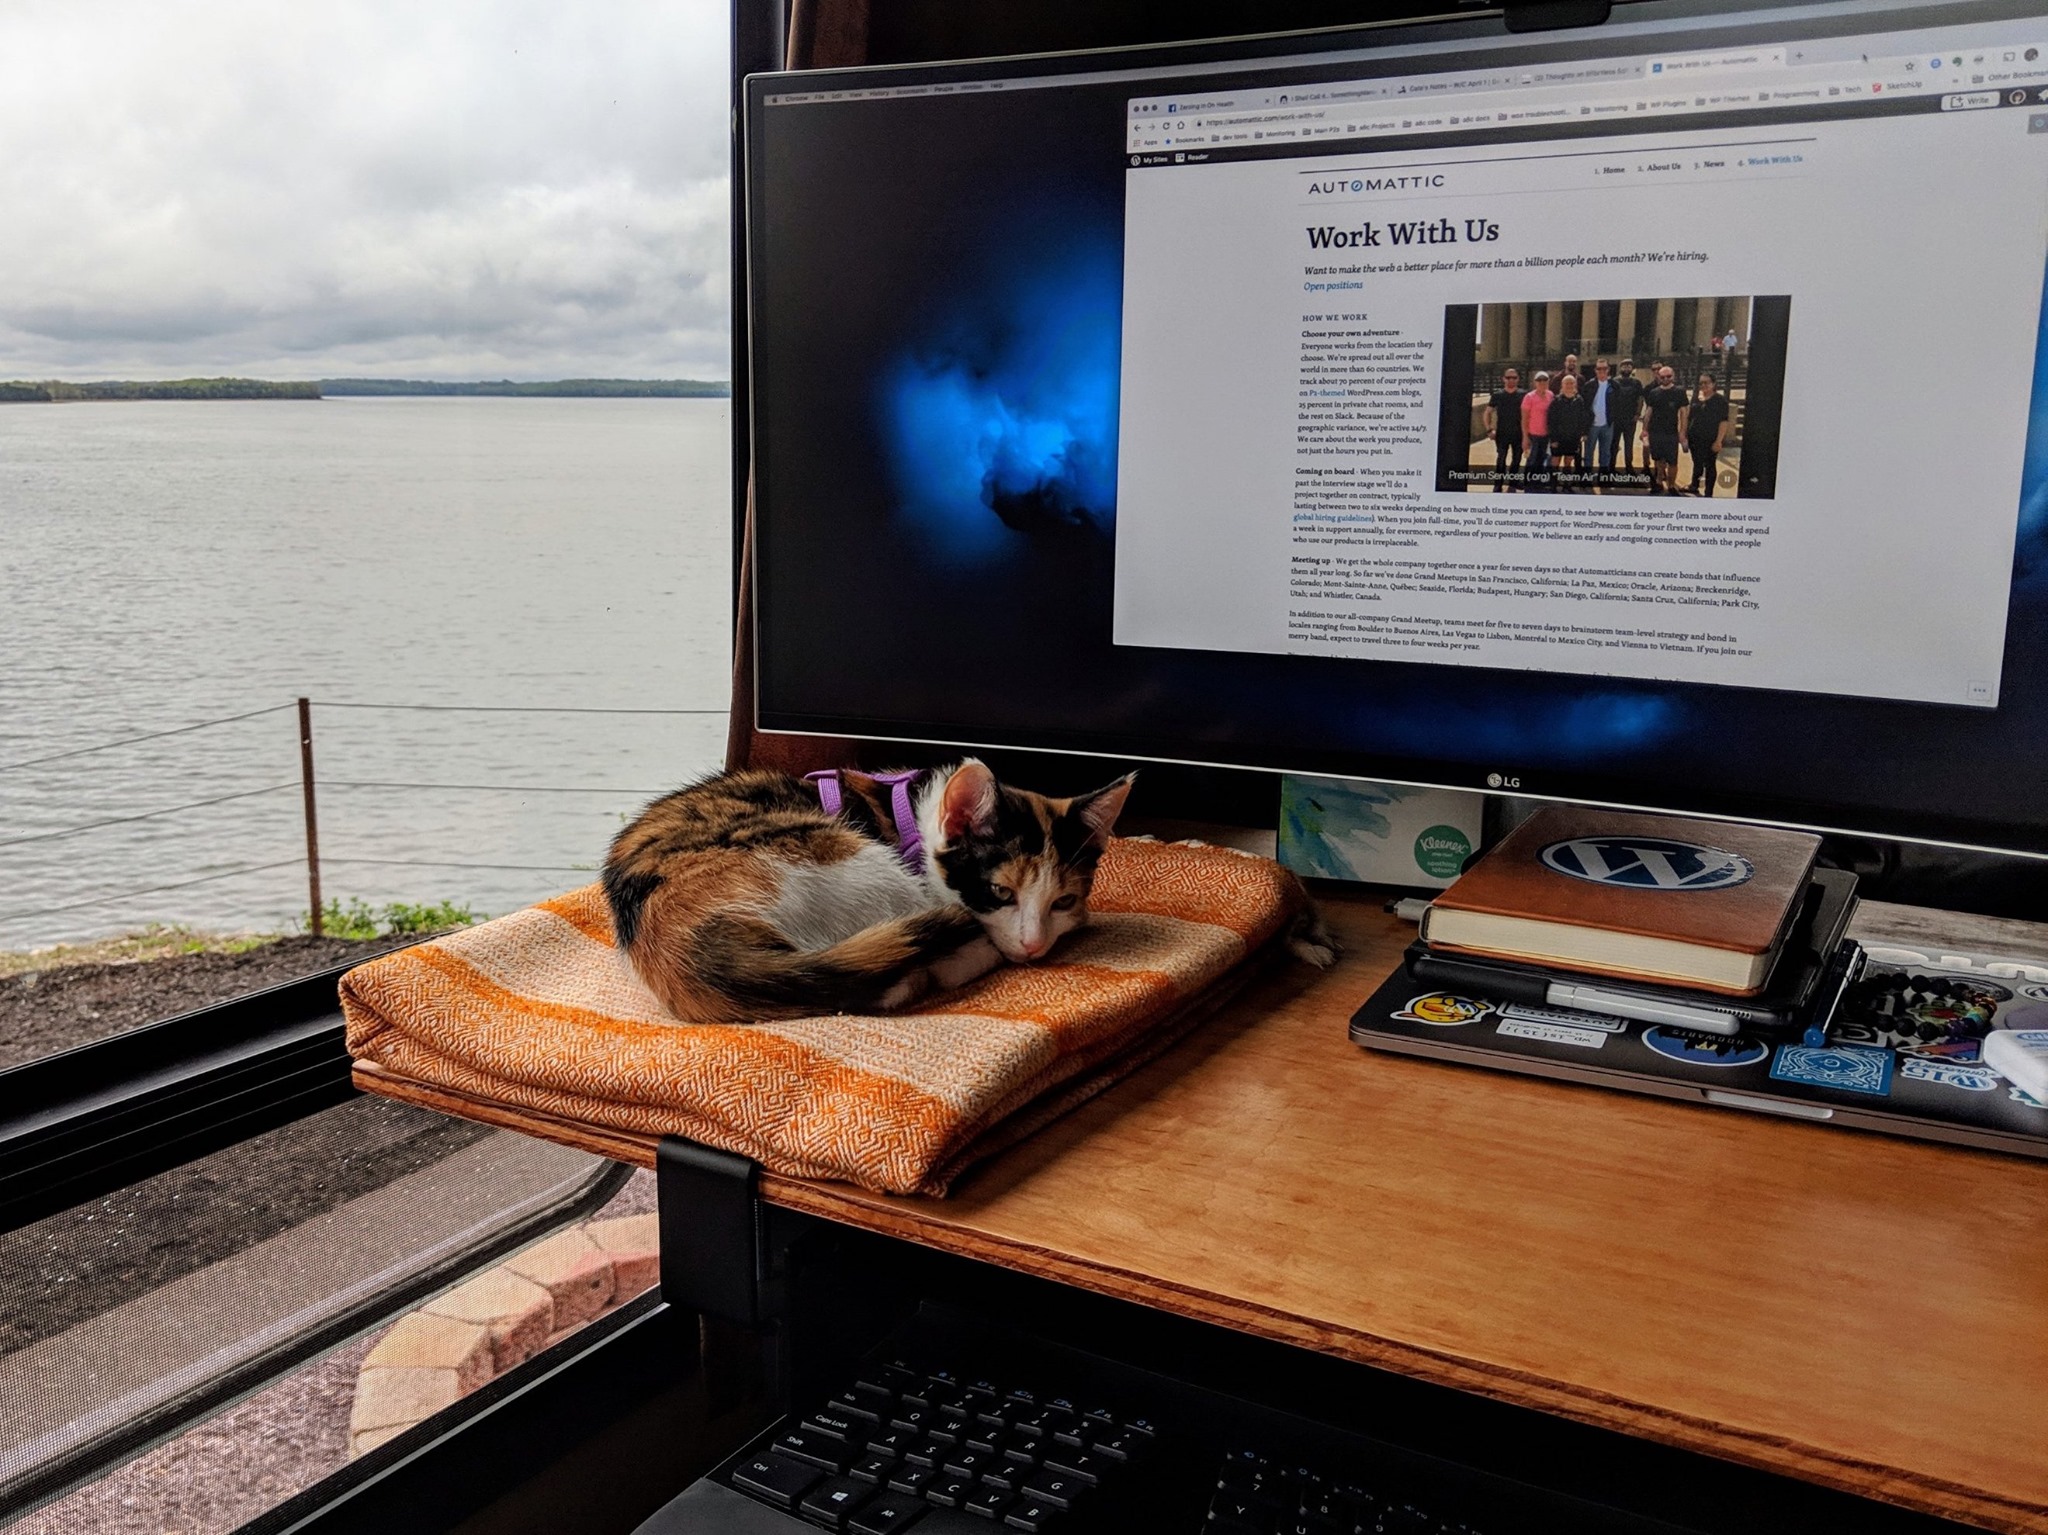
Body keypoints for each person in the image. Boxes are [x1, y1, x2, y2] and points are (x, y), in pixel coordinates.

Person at [1639, 364, 1686, 494]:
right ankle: (1659, 483)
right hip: (1655, 432)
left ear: (1673, 376)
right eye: (1663, 376)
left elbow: (1683, 414)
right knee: (1658, 460)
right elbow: (1648, 412)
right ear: (1659, 377)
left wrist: (1682, 432)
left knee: (1672, 462)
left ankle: (1671, 486)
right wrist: (1644, 430)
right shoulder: (1654, 392)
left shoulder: (1679, 392)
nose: (1665, 379)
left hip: (1671, 432)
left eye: (1668, 376)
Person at [1683, 372, 1731, 496]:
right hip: (1694, 438)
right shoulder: (1696, 398)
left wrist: (1719, 441)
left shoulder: (1720, 401)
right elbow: (1689, 417)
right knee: (1697, 463)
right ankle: (1694, 485)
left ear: (1713, 384)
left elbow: (1724, 422)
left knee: (1710, 465)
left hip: (1711, 439)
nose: (1703, 385)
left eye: (1706, 382)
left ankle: (1708, 492)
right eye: (1701, 383)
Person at [1484, 367, 1526, 491]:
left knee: (1517, 459)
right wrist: (1489, 429)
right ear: (1503, 379)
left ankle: (1513, 482)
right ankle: (1498, 483)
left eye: (1514, 377)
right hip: (1502, 433)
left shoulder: (1524, 394)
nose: (1511, 380)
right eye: (1508, 377)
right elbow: (1487, 413)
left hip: (1519, 433)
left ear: (1518, 379)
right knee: (1501, 459)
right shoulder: (1497, 395)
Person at [1547, 372, 1591, 489]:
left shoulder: (1579, 400)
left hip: (1573, 438)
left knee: (1568, 462)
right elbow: (1551, 421)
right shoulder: (1556, 401)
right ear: (1562, 385)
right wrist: (1553, 439)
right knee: (1555, 462)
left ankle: (1566, 485)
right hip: (1558, 438)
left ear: (1575, 384)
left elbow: (1583, 418)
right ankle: (1553, 485)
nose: (1569, 385)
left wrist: (1583, 433)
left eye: (1571, 383)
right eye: (1567, 383)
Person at [1609, 358, 1645, 474]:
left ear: (1632, 368)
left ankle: (1629, 467)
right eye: (1624, 366)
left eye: (1629, 366)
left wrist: (1637, 414)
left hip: (1630, 419)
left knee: (1629, 444)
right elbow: (1610, 399)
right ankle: (1611, 467)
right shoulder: (1614, 381)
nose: (1626, 368)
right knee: (1614, 444)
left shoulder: (1637, 383)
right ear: (1620, 368)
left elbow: (1640, 399)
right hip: (1616, 419)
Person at [1521, 370, 1553, 484]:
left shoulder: (1550, 395)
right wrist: (1525, 437)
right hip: (1533, 434)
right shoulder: (1529, 397)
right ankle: (1528, 483)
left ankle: (1538, 483)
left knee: (1542, 459)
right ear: (1535, 382)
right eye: (1539, 380)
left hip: (1546, 434)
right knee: (1531, 460)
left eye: (1545, 380)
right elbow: (1524, 419)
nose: (1542, 382)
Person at [1586, 358, 1616, 476]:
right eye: (1599, 369)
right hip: (1592, 425)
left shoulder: (1614, 385)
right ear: (1595, 370)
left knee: (1605, 453)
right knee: (1589, 453)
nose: (1602, 371)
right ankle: (1587, 477)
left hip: (1607, 425)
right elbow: (1585, 405)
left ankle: (1603, 476)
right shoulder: (1589, 385)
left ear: (1608, 369)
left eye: (1604, 368)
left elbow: (1617, 403)